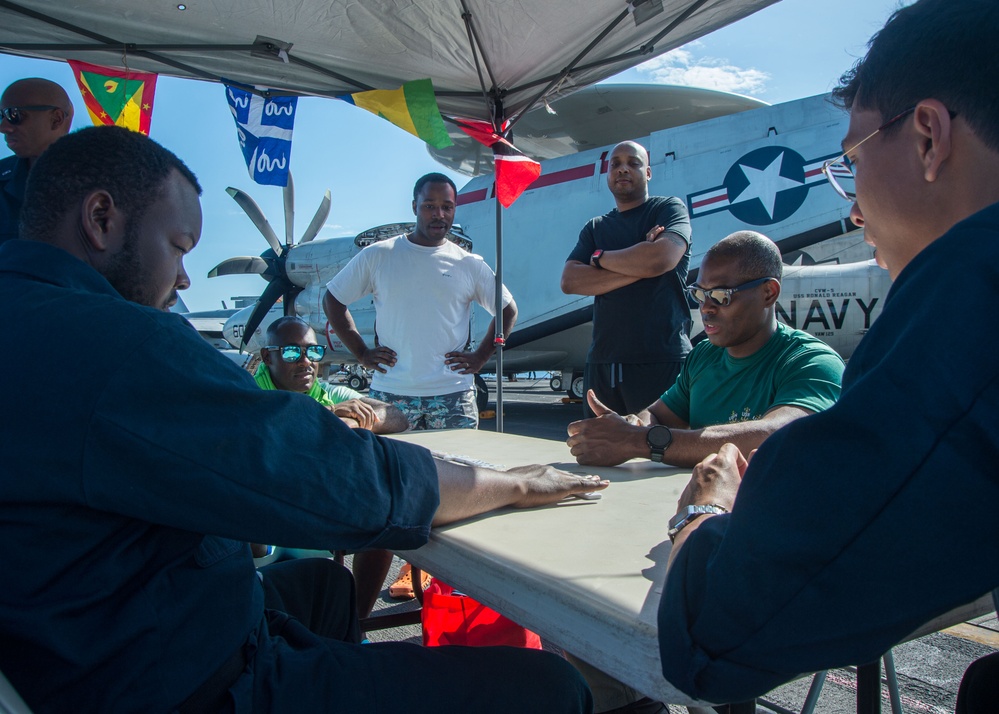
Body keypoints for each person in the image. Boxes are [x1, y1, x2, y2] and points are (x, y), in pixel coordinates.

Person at [0, 125, 607, 714]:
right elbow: (336, 481)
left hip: (82, 637)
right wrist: (519, 482)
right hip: (183, 681)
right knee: (550, 688)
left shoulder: (29, 319)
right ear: (101, 219)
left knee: (327, 586)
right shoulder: (117, 345)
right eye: (180, 247)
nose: (184, 276)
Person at [656, 0, 999, 709]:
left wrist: (704, 515)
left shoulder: (972, 291)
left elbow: (718, 630)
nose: (850, 207)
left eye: (850, 160)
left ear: (928, 136)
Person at [566, 231, 844, 468]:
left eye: (722, 296)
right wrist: (634, 425)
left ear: (768, 293)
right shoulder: (703, 356)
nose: (706, 308)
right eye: (700, 294)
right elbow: (660, 414)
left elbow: (778, 434)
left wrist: (639, 442)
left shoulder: (812, 362)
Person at [324, 172, 517, 431]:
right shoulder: (379, 255)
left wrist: (480, 357)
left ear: (454, 209)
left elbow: (507, 310)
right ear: (415, 207)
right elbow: (333, 300)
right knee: (392, 469)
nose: (439, 214)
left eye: (447, 207)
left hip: (453, 395)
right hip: (392, 393)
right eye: (429, 206)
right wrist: (361, 353)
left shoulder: (468, 264)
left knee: (461, 466)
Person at [253, 315, 410, 617]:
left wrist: (350, 420)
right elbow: (263, 422)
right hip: (260, 517)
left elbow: (396, 416)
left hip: (313, 507)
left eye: (312, 352)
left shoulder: (327, 391)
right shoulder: (247, 391)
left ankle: (355, 625)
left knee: (386, 519)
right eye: (290, 352)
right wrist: (328, 414)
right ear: (266, 356)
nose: (305, 361)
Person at [560, 140, 692, 418]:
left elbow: (661, 258)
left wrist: (599, 259)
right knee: (598, 455)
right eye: (615, 164)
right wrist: (640, 265)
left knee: (662, 454)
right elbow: (570, 281)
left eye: (633, 163)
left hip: (663, 360)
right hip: (603, 365)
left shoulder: (668, 209)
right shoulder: (595, 226)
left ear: (648, 173)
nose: (623, 169)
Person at [0, 77, 73, 244]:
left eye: (15, 115)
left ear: (56, 119)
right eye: (1, 116)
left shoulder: (102, 181)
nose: (3, 127)